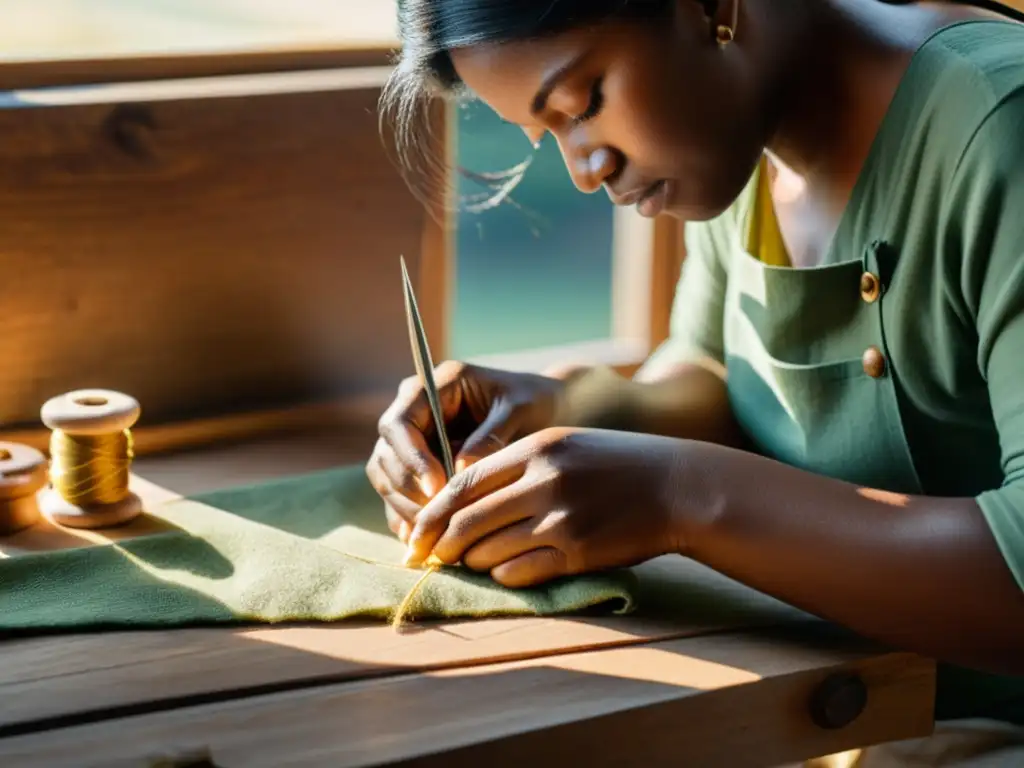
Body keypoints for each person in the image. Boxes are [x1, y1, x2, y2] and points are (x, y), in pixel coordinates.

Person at [368, 0, 1024, 763]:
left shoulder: (1000, 128)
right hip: (844, 715)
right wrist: (564, 409)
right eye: (547, 135)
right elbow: (717, 374)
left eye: (582, 104)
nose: (585, 171)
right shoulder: (745, 138)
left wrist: (679, 496)